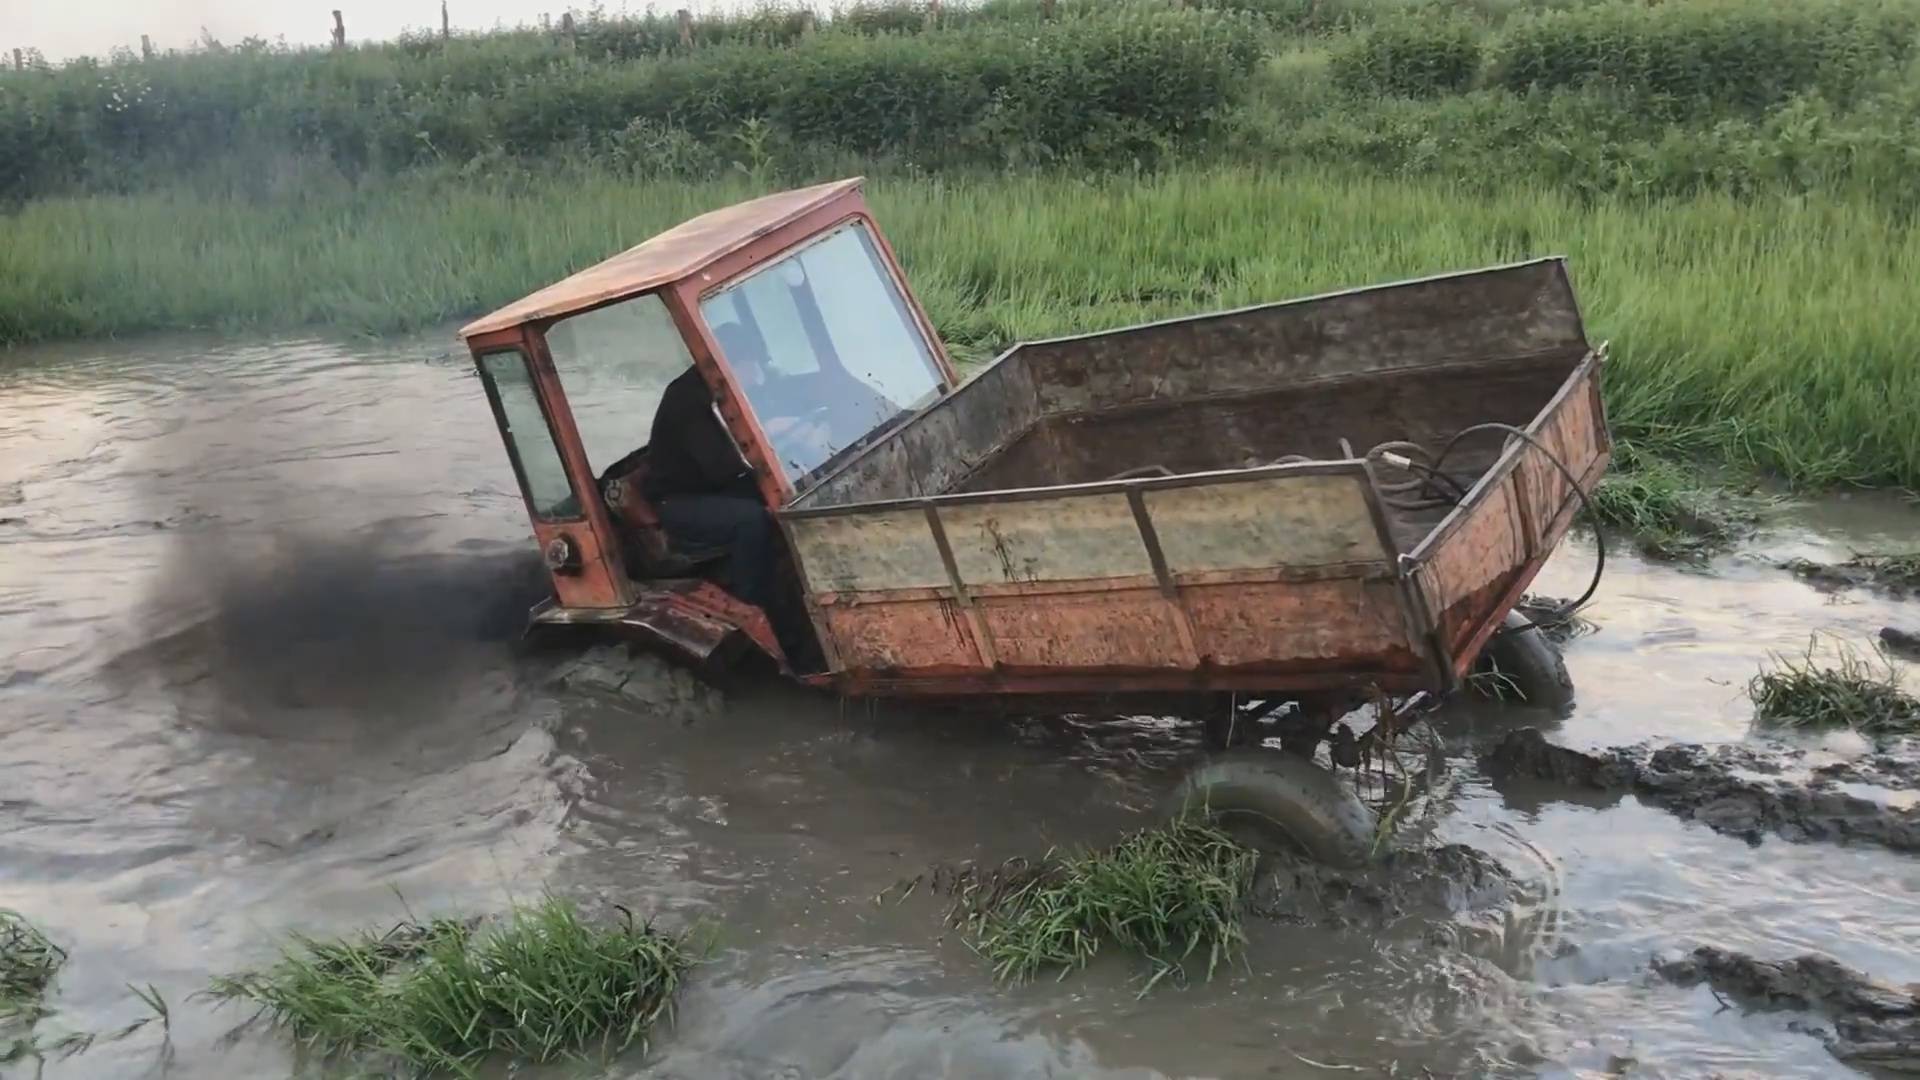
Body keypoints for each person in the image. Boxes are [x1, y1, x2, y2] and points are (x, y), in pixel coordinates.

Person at [643, 363, 823, 673]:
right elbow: (722, 466)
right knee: (751, 520)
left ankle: (808, 602)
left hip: (717, 486)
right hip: (680, 499)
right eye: (755, 367)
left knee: (797, 495)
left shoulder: (728, 388)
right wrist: (774, 432)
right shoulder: (688, 400)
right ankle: (754, 607)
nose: (760, 374)